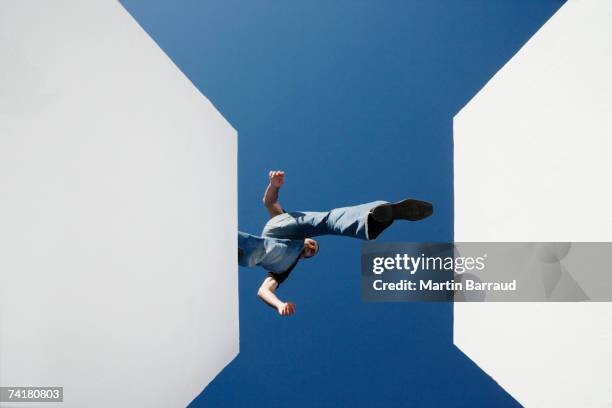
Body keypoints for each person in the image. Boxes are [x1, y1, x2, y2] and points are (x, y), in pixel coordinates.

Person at [238, 170, 433, 316]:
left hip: (274, 253)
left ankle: (373, 218)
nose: (311, 248)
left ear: (305, 258)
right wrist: (274, 185)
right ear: (308, 239)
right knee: (322, 223)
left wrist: (279, 304)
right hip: (278, 229)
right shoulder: (290, 226)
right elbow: (269, 202)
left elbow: (263, 290)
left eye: (311, 252)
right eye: (313, 244)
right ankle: (247, 250)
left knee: (319, 229)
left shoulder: (283, 270)